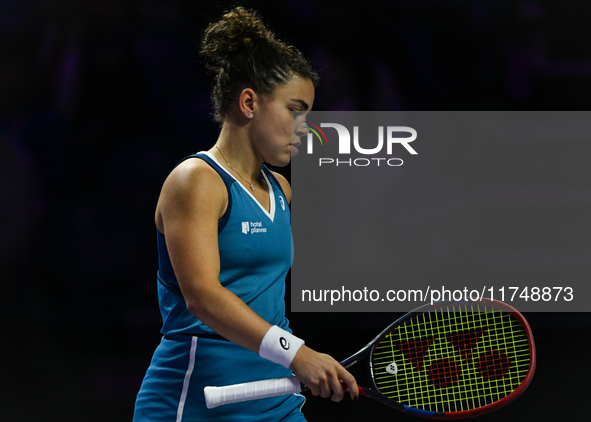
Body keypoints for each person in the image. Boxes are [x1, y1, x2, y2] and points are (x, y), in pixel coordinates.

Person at [133, 7, 358, 422]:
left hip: (275, 399)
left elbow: (265, 294)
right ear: (249, 102)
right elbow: (202, 295)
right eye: (295, 110)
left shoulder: (281, 189)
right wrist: (298, 353)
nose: (304, 127)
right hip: (197, 401)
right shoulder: (196, 180)